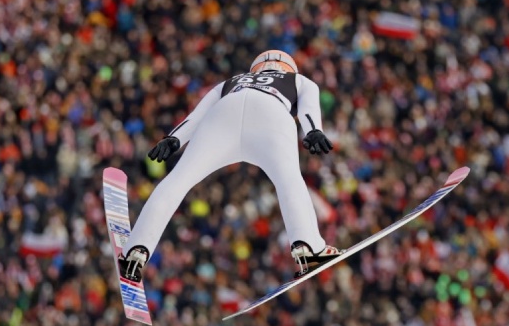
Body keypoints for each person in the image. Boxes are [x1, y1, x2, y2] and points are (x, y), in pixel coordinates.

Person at [118, 50, 344, 282]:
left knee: (177, 182)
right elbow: (309, 109)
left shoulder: (231, 81)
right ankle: (307, 248)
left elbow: (196, 116)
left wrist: (174, 138)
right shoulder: (298, 80)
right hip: (271, 114)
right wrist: (314, 130)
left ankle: (135, 251)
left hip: (225, 113)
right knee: (289, 181)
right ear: (289, 67)